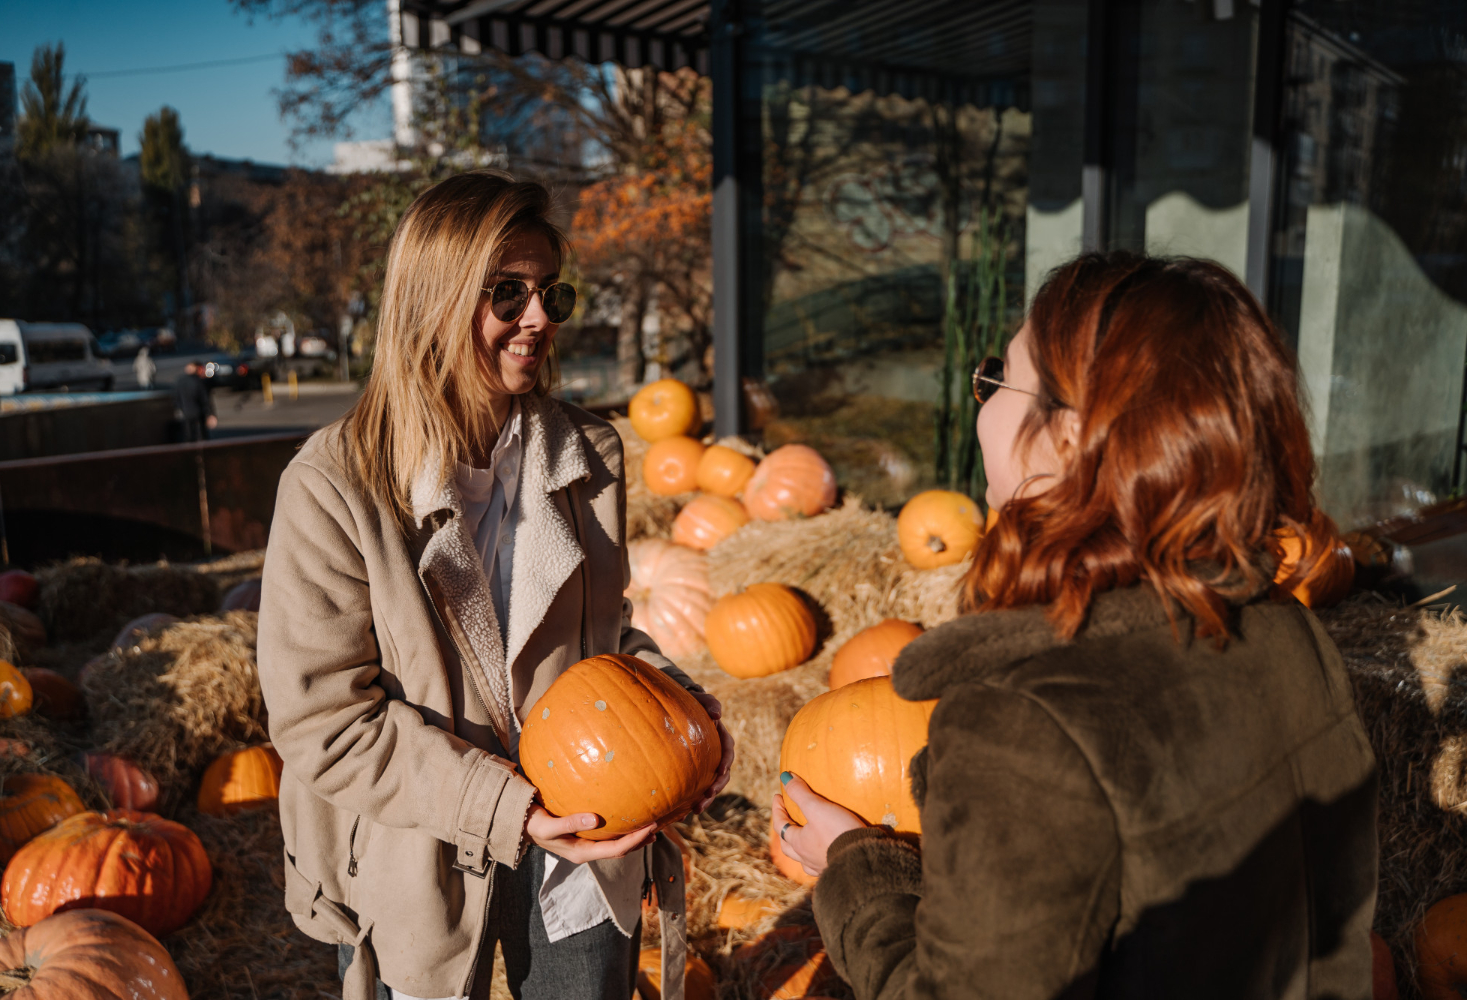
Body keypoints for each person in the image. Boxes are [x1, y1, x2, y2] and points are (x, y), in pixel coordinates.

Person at [774, 252, 1378, 999]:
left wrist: (859, 865)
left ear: (1069, 438)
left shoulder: (1027, 719)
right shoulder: (1288, 633)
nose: (981, 403)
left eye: (998, 380)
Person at [256, 171, 734, 1000]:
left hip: (590, 825)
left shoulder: (590, 455)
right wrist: (505, 806)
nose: (539, 318)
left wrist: (675, 709)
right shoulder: (334, 486)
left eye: (551, 291)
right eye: (506, 294)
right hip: (420, 835)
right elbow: (323, 722)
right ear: (432, 301)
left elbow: (605, 639)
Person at [173, 360, 216, 441]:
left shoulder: (180, 381)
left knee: (188, 435)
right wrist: (210, 414)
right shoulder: (198, 382)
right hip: (198, 413)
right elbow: (205, 399)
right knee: (201, 435)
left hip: (185, 413)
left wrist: (179, 409)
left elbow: (176, 398)